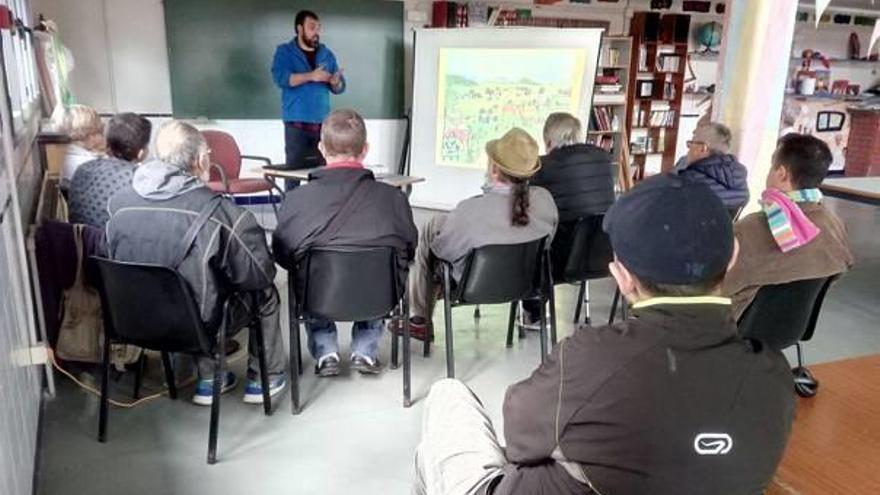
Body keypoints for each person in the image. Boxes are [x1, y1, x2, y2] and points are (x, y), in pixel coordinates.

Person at [414, 175, 796, 495]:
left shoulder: (588, 359)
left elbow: (520, 438)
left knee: (446, 397)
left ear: (622, 276)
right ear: (732, 257)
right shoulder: (773, 375)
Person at [106, 121, 287, 406]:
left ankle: (212, 378)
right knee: (263, 294)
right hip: (196, 326)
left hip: (132, 322)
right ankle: (263, 379)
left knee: (193, 285)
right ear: (201, 160)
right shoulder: (224, 214)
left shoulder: (118, 205)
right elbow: (261, 273)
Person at [272, 109, 417, 376]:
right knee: (380, 268)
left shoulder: (296, 200)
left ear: (321, 148)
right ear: (365, 150)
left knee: (306, 270)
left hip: (318, 298)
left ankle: (325, 351)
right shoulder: (394, 199)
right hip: (378, 296)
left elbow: (283, 255)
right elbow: (409, 250)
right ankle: (365, 351)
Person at [407, 128, 558, 340]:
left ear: (494, 169)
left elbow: (442, 252)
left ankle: (421, 319)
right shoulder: (546, 201)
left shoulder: (469, 211)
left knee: (433, 233)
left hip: (472, 286)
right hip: (525, 284)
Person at [723, 133, 854, 320]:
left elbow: (716, 287)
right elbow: (837, 273)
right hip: (791, 328)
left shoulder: (750, 229)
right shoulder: (834, 225)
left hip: (731, 330)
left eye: (771, 166)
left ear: (782, 173)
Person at [522, 112, 615, 324]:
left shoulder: (542, 166)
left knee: (530, 239)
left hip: (560, 262)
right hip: (602, 255)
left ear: (547, 140)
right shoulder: (603, 158)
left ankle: (534, 309)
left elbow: (531, 210)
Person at [271, 9, 345, 170]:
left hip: (322, 124)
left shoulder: (327, 54)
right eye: (312, 27)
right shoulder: (285, 52)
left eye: (318, 28)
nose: (316, 32)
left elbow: (339, 87)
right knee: (293, 174)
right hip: (296, 124)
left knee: (322, 172)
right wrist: (311, 76)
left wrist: (335, 81)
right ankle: (292, 197)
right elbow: (281, 78)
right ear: (299, 29)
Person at [68, 112, 151, 228]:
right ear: (141, 153)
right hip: (115, 244)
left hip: (82, 242)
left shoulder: (83, 170)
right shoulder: (139, 181)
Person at [672, 122, 749, 212]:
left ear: (702, 148)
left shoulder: (689, 178)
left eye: (691, 143)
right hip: (726, 225)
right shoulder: (739, 174)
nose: (689, 149)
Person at [60, 104, 104, 191]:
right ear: (91, 136)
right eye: (100, 132)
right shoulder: (92, 164)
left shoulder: (65, 154)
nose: (102, 136)